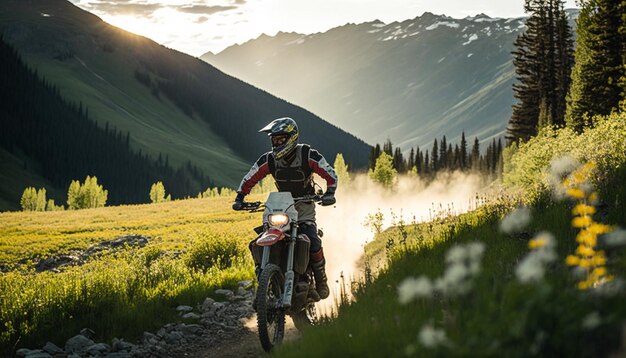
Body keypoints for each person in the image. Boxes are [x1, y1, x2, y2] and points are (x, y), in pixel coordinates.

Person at [232, 117, 337, 299]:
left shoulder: (307, 154)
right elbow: (251, 176)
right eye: (274, 140)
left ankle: (321, 280)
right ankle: (265, 278)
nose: (276, 143)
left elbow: (330, 173)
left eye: (280, 139)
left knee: (312, 239)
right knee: (257, 242)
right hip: (280, 207)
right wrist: (240, 197)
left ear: (291, 137)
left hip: (304, 205)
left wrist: (330, 191)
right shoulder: (269, 160)